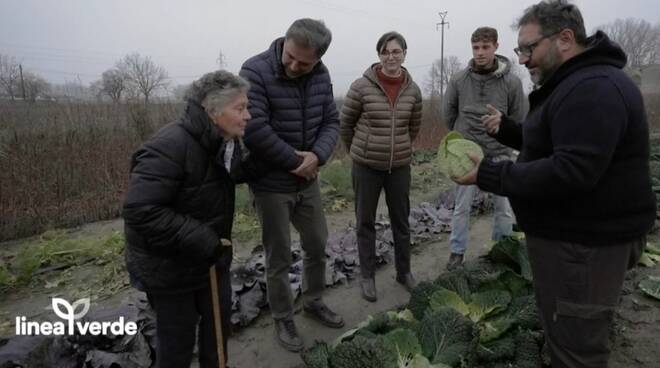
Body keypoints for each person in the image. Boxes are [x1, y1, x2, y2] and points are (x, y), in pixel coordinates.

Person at [453, 1, 655, 366]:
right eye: (520, 50)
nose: (524, 58)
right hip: (578, 241)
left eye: (529, 48)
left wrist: (491, 174)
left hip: (585, 248)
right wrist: (513, 131)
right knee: (565, 333)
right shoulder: (578, 82)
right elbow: (561, 143)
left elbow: (571, 171)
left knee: (577, 349)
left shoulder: (593, 88)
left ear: (564, 39)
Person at [123, 70, 255, 368]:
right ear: (212, 110)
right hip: (170, 268)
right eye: (240, 108)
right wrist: (203, 239)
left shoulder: (225, 141)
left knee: (218, 336)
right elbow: (140, 210)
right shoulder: (169, 145)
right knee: (177, 346)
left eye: (247, 107)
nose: (248, 115)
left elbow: (218, 180)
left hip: (210, 261)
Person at [239, 18, 342, 353]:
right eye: (291, 57)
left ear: (318, 59)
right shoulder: (254, 71)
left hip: (308, 180)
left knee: (317, 244)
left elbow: (331, 121)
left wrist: (318, 155)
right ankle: (283, 316)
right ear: (285, 41)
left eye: (305, 62)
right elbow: (254, 130)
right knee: (279, 255)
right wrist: (295, 161)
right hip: (271, 183)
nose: (296, 65)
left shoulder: (321, 74)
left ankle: (313, 300)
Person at [340, 31, 422, 302]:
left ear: (404, 54)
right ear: (379, 55)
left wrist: (399, 149)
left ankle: (404, 272)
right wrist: (358, 150)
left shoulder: (413, 90)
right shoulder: (361, 87)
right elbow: (346, 124)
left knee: (401, 221)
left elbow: (414, 127)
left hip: (399, 166)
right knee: (366, 222)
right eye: (385, 51)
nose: (391, 57)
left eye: (396, 51)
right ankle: (367, 276)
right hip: (366, 166)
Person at [443, 26, 527, 271]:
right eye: (476, 47)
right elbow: (448, 115)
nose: (480, 53)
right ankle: (457, 253)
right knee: (461, 207)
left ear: (496, 47)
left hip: (499, 153)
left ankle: (499, 250)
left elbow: (517, 117)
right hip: (466, 154)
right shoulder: (458, 80)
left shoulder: (511, 82)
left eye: (485, 47)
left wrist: (502, 133)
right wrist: (463, 139)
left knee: (503, 208)